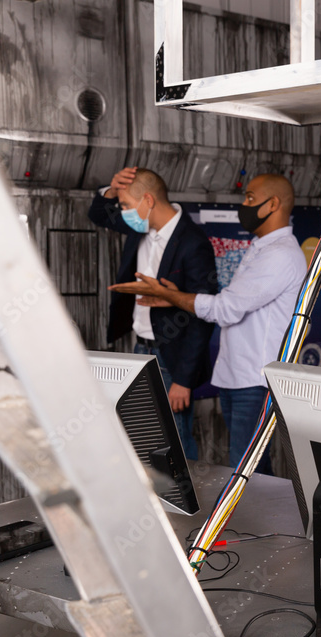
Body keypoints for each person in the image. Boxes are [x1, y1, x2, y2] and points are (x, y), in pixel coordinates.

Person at [110, 174, 306, 471]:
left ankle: (261, 518)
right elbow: (229, 301)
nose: (244, 204)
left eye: (250, 198)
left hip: (256, 379)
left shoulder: (280, 255)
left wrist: (169, 296)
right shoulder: (261, 247)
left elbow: (226, 308)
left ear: (273, 204)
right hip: (237, 376)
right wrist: (175, 297)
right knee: (246, 466)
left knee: (247, 469)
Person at [88, 167, 217, 460]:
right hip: (139, 350)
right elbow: (97, 215)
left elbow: (203, 314)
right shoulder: (140, 227)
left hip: (171, 358)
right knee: (142, 438)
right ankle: (156, 501)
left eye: (125, 206)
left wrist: (184, 380)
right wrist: (110, 191)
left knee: (176, 442)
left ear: (148, 200)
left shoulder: (193, 242)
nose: (122, 212)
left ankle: (189, 505)